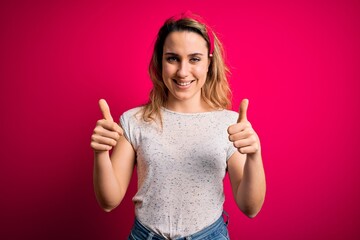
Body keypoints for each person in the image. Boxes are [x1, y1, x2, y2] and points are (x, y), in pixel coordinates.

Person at [91, 11, 266, 240]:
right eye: (172, 58)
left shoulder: (230, 124)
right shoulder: (134, 121)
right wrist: (100, 153)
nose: (183, 71)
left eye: (194, 59)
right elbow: (109, 201)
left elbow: (249, 207)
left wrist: (255, 155)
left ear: (208, 63)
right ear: (160, 61)